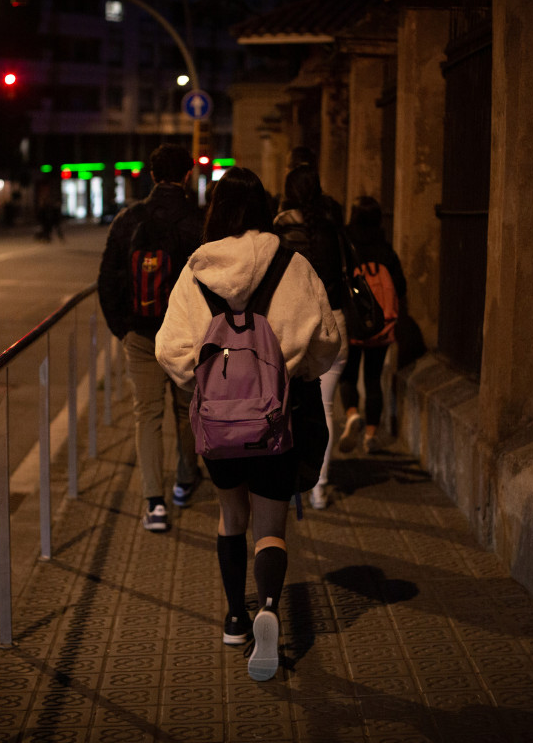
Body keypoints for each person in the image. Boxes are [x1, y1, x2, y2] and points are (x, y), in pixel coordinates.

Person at [156, 165, 340, 681]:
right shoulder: (292, 265)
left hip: (218, 429)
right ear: (262, 207)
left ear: (215, 210)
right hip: (279, 422)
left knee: (229, 517)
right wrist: (288, 375)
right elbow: (325, 341)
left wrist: (210, 389)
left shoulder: (197, 272)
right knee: (270, 527)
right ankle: (269, 607)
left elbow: (169, 350)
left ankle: (235, 618)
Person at [98, 143, 204, 532]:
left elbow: (107, 280)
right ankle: (185, 480)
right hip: (186, 336)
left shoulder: (128, 220)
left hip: (141, 334)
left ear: (153, 175)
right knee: (186, 410)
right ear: (187, 175)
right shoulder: (199, 220)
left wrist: (123, 329)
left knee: (147, 415)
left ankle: (154, 503)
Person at [273, 164, 347, 509]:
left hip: (293, 324)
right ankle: (319, 487)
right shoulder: (332, 225)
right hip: (334, 322)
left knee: (283, 403)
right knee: (327, 409)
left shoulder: (282, 228)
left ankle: (285, 478)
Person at [337, 196, 407, 453]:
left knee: (348, 374)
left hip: (354, 323)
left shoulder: (347, 246)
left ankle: (353, 414)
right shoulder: (385, 251)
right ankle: (370, 435)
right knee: (373, 378)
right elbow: (400, 286)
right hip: (380, 325)